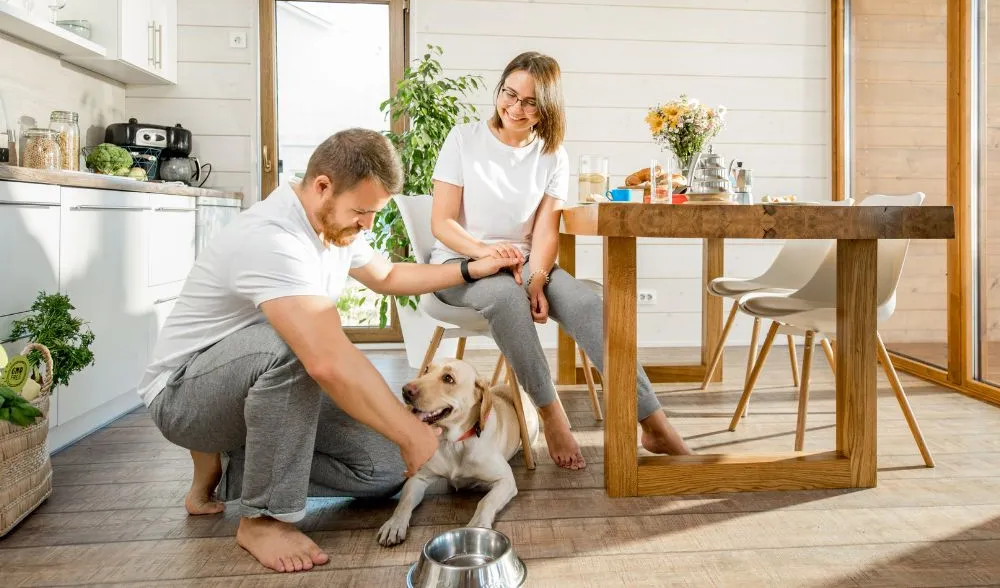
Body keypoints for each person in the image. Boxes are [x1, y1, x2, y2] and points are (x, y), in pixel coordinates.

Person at [136, 128, 520, 574]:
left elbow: (389, 276)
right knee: (301, 345)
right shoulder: (273, 238)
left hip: (256, 393)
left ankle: (235, 469)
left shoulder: (335, 227)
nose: (367, 225)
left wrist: (472, 267)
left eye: (372, 213)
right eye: (361, 211)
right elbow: (323, 358)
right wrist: (409, 430)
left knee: (385, 469)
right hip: (185, 398)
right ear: (322, 186)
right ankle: (263, 518)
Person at [429, 51, 693, 471]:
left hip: (525, 263)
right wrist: (487, 253)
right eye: (509, 94)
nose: (515, 108)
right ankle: (552, 415)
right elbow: (442, 222)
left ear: (547, 107)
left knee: (589, 305)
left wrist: (537, 279)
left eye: (530, 102)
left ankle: (654, 421)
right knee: (503, 297)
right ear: (499, 90)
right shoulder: (463, 139)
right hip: (462, 263)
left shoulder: (552, 153)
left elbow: (546, 229)